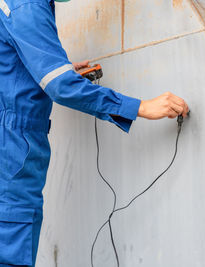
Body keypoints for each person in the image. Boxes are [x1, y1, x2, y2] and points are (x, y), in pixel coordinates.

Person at [0, 0, 189, 265]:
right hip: (11, 148)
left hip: (12, 142)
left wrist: (55, 67)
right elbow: (61, 87)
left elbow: (12, 65)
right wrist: (141, 107)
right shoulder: (27, 5)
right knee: (11, 245)